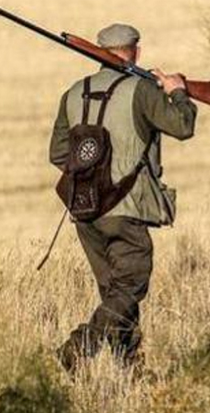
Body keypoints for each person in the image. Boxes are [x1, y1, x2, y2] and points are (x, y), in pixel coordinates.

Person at [48, 23, 196, 372]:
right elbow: (183, 126)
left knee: (115, 292)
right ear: (136, 52)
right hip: (125, 206)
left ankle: (128, 368)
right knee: (130, 286)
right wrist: (177, 92)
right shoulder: (141, 90)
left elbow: (58, 154)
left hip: (85, 209)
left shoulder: (73, 92)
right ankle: (76, 348)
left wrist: (93, 168)